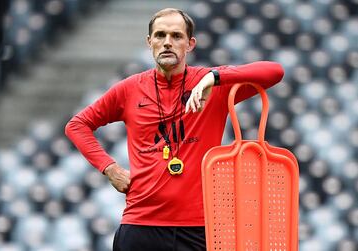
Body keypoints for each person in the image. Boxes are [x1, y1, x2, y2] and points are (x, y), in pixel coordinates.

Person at [65, 8, 284, 251]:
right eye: (160, 35)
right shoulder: (129, 89)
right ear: (149, 42)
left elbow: (275, 72)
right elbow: (77, 125)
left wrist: (215, 76)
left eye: (176, 36)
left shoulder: (213, 86)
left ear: (190, 44)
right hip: (140, 224)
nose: (167, 42)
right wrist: (109, 168)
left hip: (199, 227)